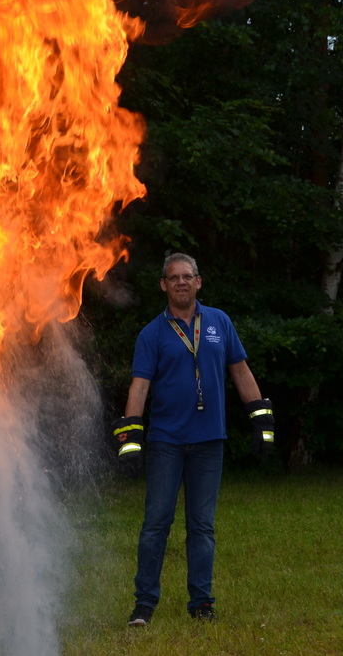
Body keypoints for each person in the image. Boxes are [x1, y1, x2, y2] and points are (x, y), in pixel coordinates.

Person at [111, 253, 274, 626]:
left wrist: (262, 419)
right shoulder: (151, 333)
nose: (181, 282)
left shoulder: (219, 322)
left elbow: (241, 371)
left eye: (188, 276)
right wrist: (130, 435)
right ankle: (144, 604)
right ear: (164, 285)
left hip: (208, 441)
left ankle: (201, 603)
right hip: (166, 441)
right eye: (174, 277)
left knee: (202, 525)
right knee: (156, 523)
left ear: (199, 282)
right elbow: (139, 386)